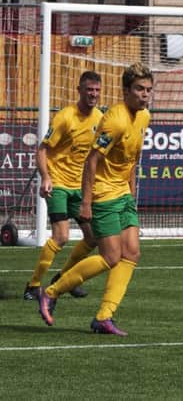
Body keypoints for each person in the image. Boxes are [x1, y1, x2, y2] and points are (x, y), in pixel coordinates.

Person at [37, 62, 153, 336]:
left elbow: (133, 160)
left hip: (123, 194)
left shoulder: (144, 116)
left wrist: (131, 193)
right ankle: (52, 292)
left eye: (148, 89)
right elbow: (91, 162)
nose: (145, 95)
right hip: (103, 194)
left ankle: (104, 316)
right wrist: (87, 202)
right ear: (126, 91)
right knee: (111, 256)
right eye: (139, 89)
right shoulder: (115, 119)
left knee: (132, 253)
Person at [23, 71, 103, 301]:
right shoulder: (65, 117)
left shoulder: (100, 118)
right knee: (61, 236)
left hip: (80, 187)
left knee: (92, 238)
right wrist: (46, 177)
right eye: (89, 89)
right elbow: (42, 150)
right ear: (79, 90)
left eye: (97, 90)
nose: (93, 94)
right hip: (58, 183)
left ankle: (63, 279)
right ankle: (33, 285)